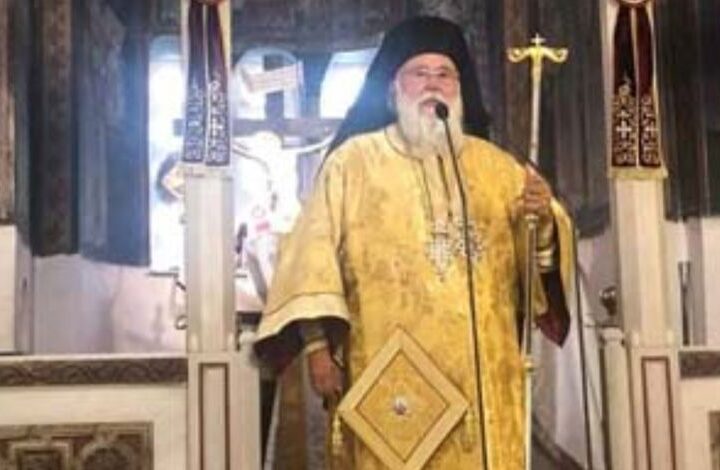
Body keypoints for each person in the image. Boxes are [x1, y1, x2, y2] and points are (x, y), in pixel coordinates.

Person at [254, 15, 573, 469]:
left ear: (460, 89)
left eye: (445, 74)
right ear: (392, 89)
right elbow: (310, 260)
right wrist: (317, 349)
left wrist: (543, 222)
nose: (433, 84)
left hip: (482, 380)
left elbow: (535, 271)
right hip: (390, 379)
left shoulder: (498, 168)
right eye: (419, 73)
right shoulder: (352, 164)